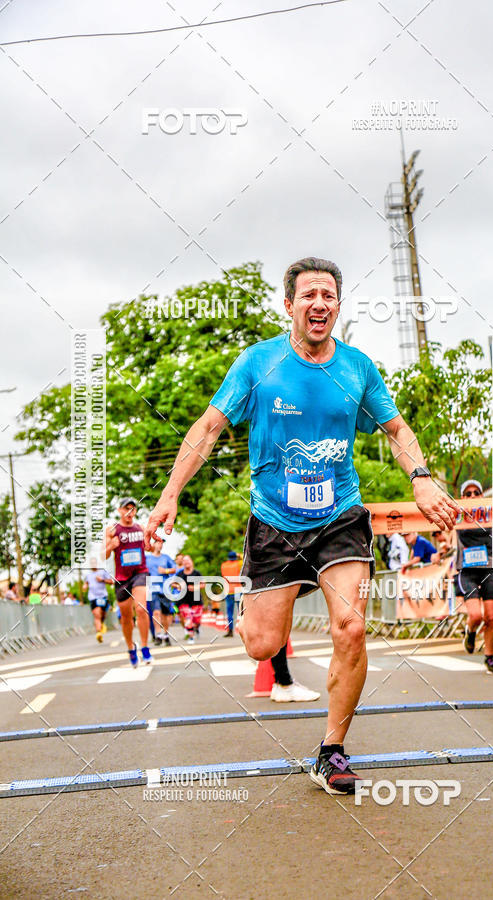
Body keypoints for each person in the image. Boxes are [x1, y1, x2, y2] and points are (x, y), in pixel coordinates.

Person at [145, 256, 458, 795]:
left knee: (352, 627)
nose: (320, 304)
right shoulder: (257, 364)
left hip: (341, 515)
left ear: (337, 307)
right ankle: (255, 602)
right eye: (309, 295)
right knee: (262, 645)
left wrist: (422, 477)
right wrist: (170, 493)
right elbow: (208, 427)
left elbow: (397, 427)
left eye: (329, 296)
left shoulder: (357, 368)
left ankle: (332, 751)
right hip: (274, 523)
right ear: (289, 305)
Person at [455, 479, 493, 674]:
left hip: (489, 569)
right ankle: (470, 631)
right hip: (467, 571)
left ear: (482, 496)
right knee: (476, 616)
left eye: (476, 493)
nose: (473, 497)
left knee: (491, 618)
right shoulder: (457, 516)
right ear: (462, 498)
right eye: (468, 494)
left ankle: (489, 658)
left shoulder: (491, 514)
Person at [103, 497, 152, 667]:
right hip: (122, 577)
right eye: (126, 509)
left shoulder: (141, 528)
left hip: (140, 572)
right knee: (126, 618)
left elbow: (149, 547)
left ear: (135, 512)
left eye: (132, 509)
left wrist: (151, 542)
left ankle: (145, 647)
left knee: (141, 609)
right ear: (120, 511)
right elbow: (103, 554)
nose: (129, 512)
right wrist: (111, 546)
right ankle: (131, 648)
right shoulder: (112, 530)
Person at [146, 537, 177, 645]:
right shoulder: (147, 558)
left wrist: (165, 570)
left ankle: (166, 634)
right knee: (156, 612)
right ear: (153, 545)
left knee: (166, 614)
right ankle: (158, 634)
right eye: (158, 543)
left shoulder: (166, 558)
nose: (160, 545)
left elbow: (174, 569)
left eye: (162, 543)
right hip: (153, 588)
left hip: (165, 588)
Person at [83, 560, 113, 643]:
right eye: (91, 563)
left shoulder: (103, 572)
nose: (93, 565)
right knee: (97, 615)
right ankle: (99, 633)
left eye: (94, 563)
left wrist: (102, 580)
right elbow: (86, 583)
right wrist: (85, 586)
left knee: (102, 615)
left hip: (103, 597)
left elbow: (111, 582)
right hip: (93, 597)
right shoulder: (88, 575)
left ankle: (101, 624)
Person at [177, 555, 204, 641]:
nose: (186, 563)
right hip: (184, 600)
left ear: (191, 562)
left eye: (188, 561)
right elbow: (173, 583)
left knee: (196, 620)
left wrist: (195, 587)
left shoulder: (197, 573)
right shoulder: (180, 574)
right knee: (188, 618)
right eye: (184, 561)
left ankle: (196, 627)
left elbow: (203, 584)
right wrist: (178, 586)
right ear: (183, 563)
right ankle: (191, 637)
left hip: (196, 600)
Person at [221, 551, 242, 637]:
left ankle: (230, 631)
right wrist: (239, 555)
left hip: (228, 591)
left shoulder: (224, 565)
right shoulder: (239, 564)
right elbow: (245, 557)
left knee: (229, 612)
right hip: (238, 590)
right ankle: (243, 629)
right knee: (241, 611)